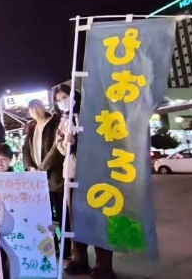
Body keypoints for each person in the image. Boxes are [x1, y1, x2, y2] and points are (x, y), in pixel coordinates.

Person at [54, 85, 116, 279]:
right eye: (59, 99)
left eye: (65, 96)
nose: (62, 101)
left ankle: (103, 265)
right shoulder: (63, 120)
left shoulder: (92, 113)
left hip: (95, 174)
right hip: (72, 173)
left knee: (98, 219)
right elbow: (59, 146)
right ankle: (79, 259)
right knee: (76, 220)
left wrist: (81, 138)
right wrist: (67, 143)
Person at [22, 98, 68, 258]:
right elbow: (25, 149)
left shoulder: (56, 122)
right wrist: (30, 167)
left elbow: (56, 148)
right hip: (37, 179)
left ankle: (66, 248)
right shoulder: (31, 126)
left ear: (43, 107)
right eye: (31, 108)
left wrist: (41, 169)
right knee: (44, 215)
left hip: (55, 176)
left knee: (62, 213)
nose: (35, 111)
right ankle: (51, 247)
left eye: (37, 107)